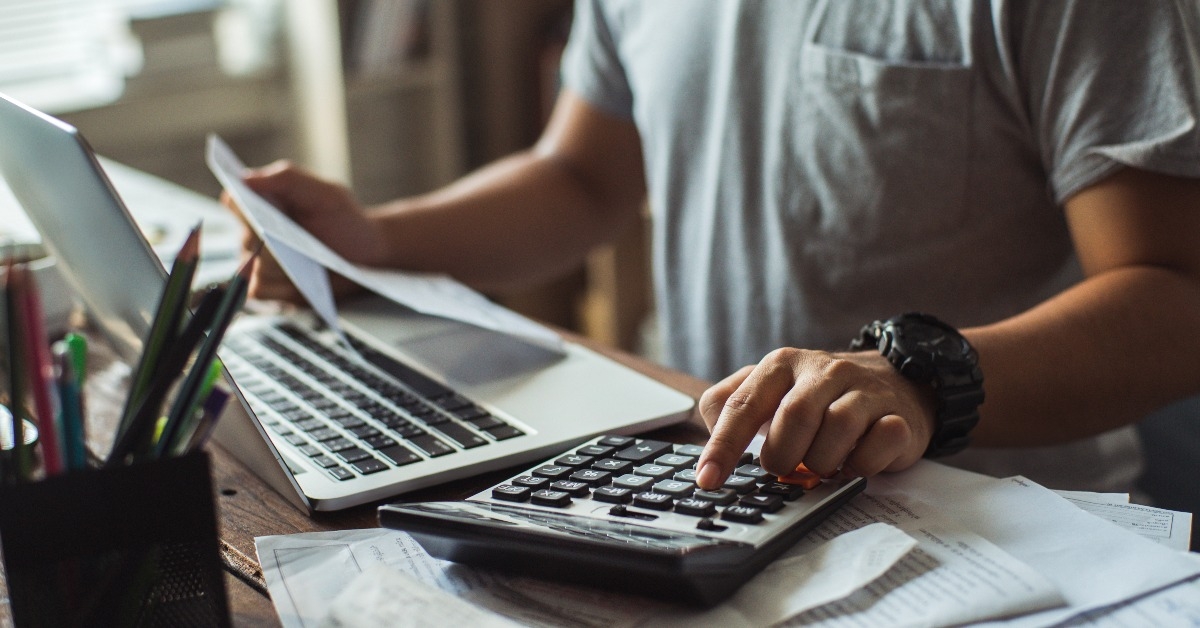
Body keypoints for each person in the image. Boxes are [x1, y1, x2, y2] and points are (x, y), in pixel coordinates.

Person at [232, 0, 1200, 497]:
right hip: (717, 494)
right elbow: (582, 177)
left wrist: (918, 378)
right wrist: (377, 239)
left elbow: (1172, 294)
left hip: (993, 531)